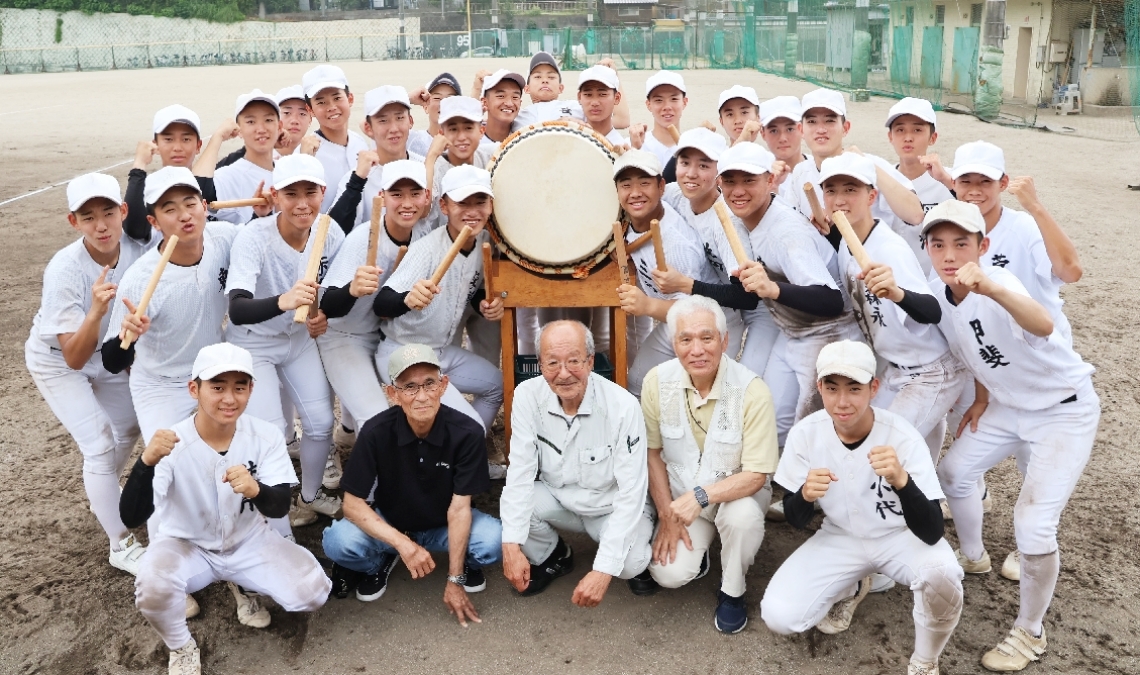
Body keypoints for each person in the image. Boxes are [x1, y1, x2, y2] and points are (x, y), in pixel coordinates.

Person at [922, 200, 1099, 672]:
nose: (949, 254)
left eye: (962, 243)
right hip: (1006, 407)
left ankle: (1030, 632)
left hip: (1064, 410)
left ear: (984, 246)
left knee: (1035, 525)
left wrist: (995, 289)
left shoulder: (1003, 282)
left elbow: (1040, 323)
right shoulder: (943, 295)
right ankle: (974, 556)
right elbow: (978, 349)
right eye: (937, 244)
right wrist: (980, 398)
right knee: (954, 472)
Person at [121, 343, 330, 675]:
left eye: (239, 387)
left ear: (251, 390)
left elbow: (278, 508)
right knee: (152, 586)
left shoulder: (265, 435)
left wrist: (256, 489)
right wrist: (145, 463)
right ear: (195, 389)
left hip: (248, 541)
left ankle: (242, 582)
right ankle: (181, 646)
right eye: (217, 387)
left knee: (313, 591)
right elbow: (132, 516)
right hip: (186, 546)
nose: (229, 398)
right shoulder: (171, 441)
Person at [760, 340, 962, 675]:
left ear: (874, 388)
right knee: (780, 616)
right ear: (819, 388)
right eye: (832, 387)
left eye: (854, 388)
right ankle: (852, 584)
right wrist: (804, 497)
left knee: (943, 576)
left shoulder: (902, 436)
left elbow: (932, 531)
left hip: (900, 537)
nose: (842, 401)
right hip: (840, 536)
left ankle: (925, 660)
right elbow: (795, 520)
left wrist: (902, 480)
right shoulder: (806, 434)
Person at [26, 173, 154, 575]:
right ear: (73, 222)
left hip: (108, 353)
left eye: (108, 213)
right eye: (88, 217)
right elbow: (74, 358)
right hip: (60, 358)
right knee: (98, 442)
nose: (101, 225)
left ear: (124, 212)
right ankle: (120, 542)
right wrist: (97, 312)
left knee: (129, 425)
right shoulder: (64, 269)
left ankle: (102, 490)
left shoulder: (137, 248)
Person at [321, 343, 500, 626]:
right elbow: (352, 505)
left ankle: (462, 565)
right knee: (337, 542)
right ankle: (381, 559)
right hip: (392, 522)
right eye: (409, 387)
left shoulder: (467, 432)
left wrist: (454, 580)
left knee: (492, 541)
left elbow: (460, 508)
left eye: (430, 383)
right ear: (393, 393)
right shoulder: (376, 431)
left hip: (444, 522)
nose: (421, 397)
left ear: (444, 385)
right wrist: (403, 544)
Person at [701, 143, 860, 444]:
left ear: (770, 181)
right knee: (768, 418)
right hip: (793, 329)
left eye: (749, 180)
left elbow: (832, 300)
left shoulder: (786, 232)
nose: (738, 190)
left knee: (808, 425)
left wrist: (772, 288)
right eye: (730, 181)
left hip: (831, 331)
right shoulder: (745, 219)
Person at [642, 297, 778, 634]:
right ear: (674, 344)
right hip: (681, 499)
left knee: (742, 518)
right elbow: (652, 453)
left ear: (724, 340)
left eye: (707, 338)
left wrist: (702, 496)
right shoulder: (656, 381)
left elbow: (757, 475)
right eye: (685, 339)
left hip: (736, 495)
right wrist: (665, 514)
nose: (697, 350)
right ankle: (701, 557)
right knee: (668, 574)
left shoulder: (752, 390)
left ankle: (732, 590)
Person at [820, 153, 967, 460]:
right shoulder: (849, 240)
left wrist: (898, 293)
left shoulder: (889, 248)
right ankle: (926, 494)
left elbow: (932, 311)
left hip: (931, 371)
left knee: (878, 451)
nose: (839, 199)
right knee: (872, 443)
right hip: (896, 367)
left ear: (871, 195)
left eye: (851, 189)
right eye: (831, 190)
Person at [500, 320, 658, 605]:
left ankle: (644, 535)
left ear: (590, 361)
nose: (563, 374)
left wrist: (602, 570)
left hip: (610, 506)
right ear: (539, 364)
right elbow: (520, 473)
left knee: (627, 565)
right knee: (513, 510)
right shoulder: (526, 395)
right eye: (552, 363)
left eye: (573, 361)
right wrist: (511, 547)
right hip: (560, 498)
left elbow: (631, 491)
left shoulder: (622, 406)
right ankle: (555, 554)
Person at [224, 153, 344, 528]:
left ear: (323, 192)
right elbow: (238, 308)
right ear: (275, 196)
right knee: (273, 432)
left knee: (322, 423)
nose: (302, 202)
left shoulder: (330, 231)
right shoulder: (253, 237)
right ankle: (270, 515)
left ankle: (310, 496)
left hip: (297, 341)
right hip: (252, 344)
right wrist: (284, 301)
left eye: (311, 192)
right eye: (291, 194)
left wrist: (320, 312)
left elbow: (329, 291)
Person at [101, 167, 237, 444]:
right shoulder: (141, 280)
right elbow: (112, 361)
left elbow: (264, 241)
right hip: (161, 384)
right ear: (154, 221)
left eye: (190, 203)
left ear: (203, 205)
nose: (185, 215)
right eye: (170, 209)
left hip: (213, 372)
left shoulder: (225, 237)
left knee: (232, 458)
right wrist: (129, 336)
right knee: (169, 463)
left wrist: (264, 215)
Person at [371, 165, 503, 432]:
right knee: (471, 428)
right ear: (444, 205)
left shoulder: (485, 241)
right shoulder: (427, 249)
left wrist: (484, 304)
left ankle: (456, 460)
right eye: (462, 202)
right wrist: (408, 298)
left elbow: (473, 287)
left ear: (491, 205)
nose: (472, 210)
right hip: (404, 352)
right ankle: (454, 461)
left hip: (438, 351)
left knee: (497, 385)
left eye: (480, 201)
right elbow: (381, 303)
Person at [318, 160, 433, 439]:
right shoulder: (364, 239)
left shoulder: (423, 235)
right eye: (396, 194)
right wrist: (352, 290)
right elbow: (327, 305)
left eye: (415, 193)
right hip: (343, 336)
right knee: (377, 419)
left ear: (427, 197)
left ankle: (349, 432)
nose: (406, 203)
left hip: (384, 336)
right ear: (381, 197)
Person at [609, 149, 730, 397]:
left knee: (702, 389)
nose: (635, 193)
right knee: (638, 382)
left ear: (661, 186)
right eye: (626, 185)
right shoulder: (631, 218)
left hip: (709, 320)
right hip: (673, 317)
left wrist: (648, 306)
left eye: (644, 183)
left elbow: (694, 312)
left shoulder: (675, 245)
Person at [659, 128, 779, 378]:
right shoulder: (674, 194)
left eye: (704, 165)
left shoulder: (726, 221)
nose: (691, 173)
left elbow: (747, 297)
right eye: (684, 162)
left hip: (762, 307)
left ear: (719, 175)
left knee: (744, 382)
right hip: (724, 304)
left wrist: (684, 284)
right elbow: (651, 187)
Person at [782, 89, 925, 237]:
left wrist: (869, 167)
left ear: (845, 128)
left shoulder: (871, 163)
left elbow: (915, 215)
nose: (821, 129)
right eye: (812, 121)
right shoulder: (800, 173)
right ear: (801, 130)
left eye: (830, 120)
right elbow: (788, 229)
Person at [329, 85, 423, 231]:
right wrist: (357, 181)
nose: (394, 129)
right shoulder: (358, 177)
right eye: (383, 120)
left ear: (410, 121)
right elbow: (332, 233)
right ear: (368, 128)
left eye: (399, 118)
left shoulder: (425, 167)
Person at [123, 104, 216, 243]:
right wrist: (138, 166)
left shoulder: (213, 180)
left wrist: (218, 136)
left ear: (198, 146)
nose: (177, 148)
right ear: (156, 145)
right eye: (168, 139)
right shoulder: (146, 189)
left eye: (186, 139)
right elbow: (135, 230)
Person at [883, 97, 952, 274]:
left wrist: (948, 181)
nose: (908, 137)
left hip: (933, 285)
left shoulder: (949, 182)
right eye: (900, 130)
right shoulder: (881, 180)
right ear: (890, 136)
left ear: (933, 137)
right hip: (887, 282)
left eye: (917, 130)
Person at [301, 64, 372, 212]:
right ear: (310, 109)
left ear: (350, 98)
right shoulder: (306, 153)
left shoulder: (360, 143)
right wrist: (304, 162)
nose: (331, 107)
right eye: (321, 102)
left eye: (337, 97)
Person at [210, 90, 280, 225]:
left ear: (280, 126)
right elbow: (202, 198)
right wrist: (218, 137)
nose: (261, 129)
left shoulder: (287, 171)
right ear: (239, 130)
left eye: (268, 120)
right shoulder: (227, 176)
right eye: (251, 121)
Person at [629, 70, 687, 168]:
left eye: (674, 99)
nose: (667, 107)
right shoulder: (634, 144)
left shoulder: (694, 146)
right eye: (659, 100)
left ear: (684, 102)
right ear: (648, 104)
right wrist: (634, 149)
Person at [407, 72, 461, 157]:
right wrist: (407, 98)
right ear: (425, 107)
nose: (443, 103)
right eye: (437, 98)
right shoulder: (411, 140)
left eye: (450, 98)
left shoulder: (467, 143)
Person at [577, 65, 626, 146]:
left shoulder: (620, 147)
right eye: (588, 95)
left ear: (616, 98)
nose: (594, 102)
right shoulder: (570, 140)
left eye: (602, 94)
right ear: (579, 97)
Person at [475, 68, 525, 149]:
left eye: (515, 97)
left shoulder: (525, 139)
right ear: (485, 102)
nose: (509, 103)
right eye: (501, 96)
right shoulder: (472, 143)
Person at [758, 95, 807, 172]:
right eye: (774, 131)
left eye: (790, 129)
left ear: (802, 129)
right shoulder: (756, 175)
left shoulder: (821, 170)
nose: (782, 139)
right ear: (763, 134)